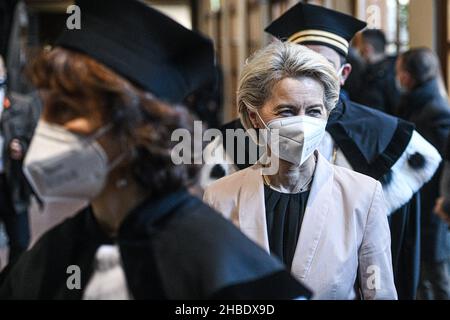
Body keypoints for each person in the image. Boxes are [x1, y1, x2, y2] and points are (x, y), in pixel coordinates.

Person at [0, 0, 310, 300]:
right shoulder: (45, 260)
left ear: (138, 128)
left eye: (66, 109)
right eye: (47, 107)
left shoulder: (234, 275)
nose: (46, 126)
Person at [202, 2, 441, 300]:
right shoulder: (221, 195)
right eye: (286, 111)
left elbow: (379, 286)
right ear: (255, 116)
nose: (302, 123)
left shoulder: (366, 187)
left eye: (314, 111)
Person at [396, 48, 450, 300]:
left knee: (435, 270)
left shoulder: (435, 109)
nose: (397, 77)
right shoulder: (417, 102)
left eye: (400, 71)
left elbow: (439, 163)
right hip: (417, 196)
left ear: (409, 75)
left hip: (430, 203)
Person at [0, 54, 40, 266]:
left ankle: (9, 286)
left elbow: (32, 139)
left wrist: (21, 147)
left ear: (4, 72)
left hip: (11, 183)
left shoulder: (21, 105)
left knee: (21, 241)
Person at [353, 29, 400, 115]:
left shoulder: (391, 76)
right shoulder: (368, 71)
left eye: (359, 45)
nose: (357, 50)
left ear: (367, 49)